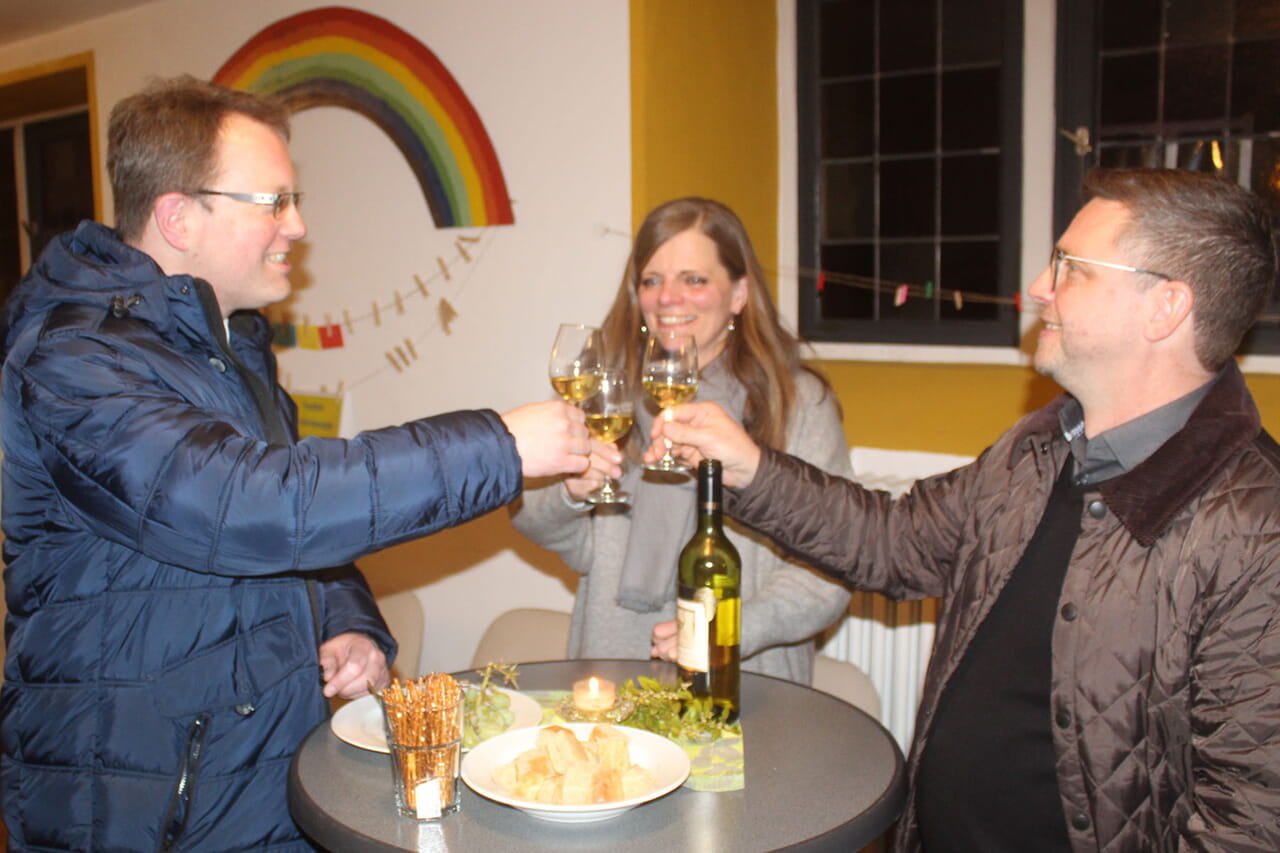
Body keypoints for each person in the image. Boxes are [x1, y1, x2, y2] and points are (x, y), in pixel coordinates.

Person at [0, 76, 589, 852]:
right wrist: (500, 444)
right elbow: (251, 504)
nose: (299, 225)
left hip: (258, 783)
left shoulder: (230, 350)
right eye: (274, 202)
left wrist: (349, 621)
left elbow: (289, 537)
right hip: (135, 805)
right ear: (178, 215)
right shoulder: (74, 359)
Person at [651, 169, 1280, 850]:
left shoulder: (1253, 524)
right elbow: (892, 542)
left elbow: (1248, 819)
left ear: (1166, 307)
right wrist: (750, 464)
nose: (1040, 288)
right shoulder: (1038, 447)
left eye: (1071, 268)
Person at [511, 197, 851, 685]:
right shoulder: (608, 395)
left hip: (744, 673)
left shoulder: (798, 404)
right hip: (613, 670)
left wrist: (727, 629)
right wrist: (568, 494)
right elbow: (538, 522)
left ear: (738, 294)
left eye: (694, 279)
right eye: (652, 280)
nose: (668, 297)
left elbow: (829, 571)